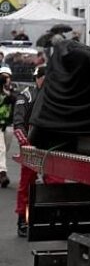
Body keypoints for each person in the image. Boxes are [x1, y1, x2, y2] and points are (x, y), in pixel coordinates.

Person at [13, 65, 62, 237]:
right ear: (37, 78)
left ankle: (55, 217)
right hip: (31, 145)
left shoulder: (58, 95)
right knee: (27, 182)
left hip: (52, 145)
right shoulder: (26, 94)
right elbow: (18, 120)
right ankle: (23, 218)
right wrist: (24, 141)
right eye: (43, 78)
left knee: (56, 182)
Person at [0, 66, 16, 188]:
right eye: (3, 76)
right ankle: (3, 174)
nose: (6, 78)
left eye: (7, 76)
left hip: (9, 124)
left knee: (5, 149)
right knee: (1, 149)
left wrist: (7, 91)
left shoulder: (13, 89)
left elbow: (13, 99)